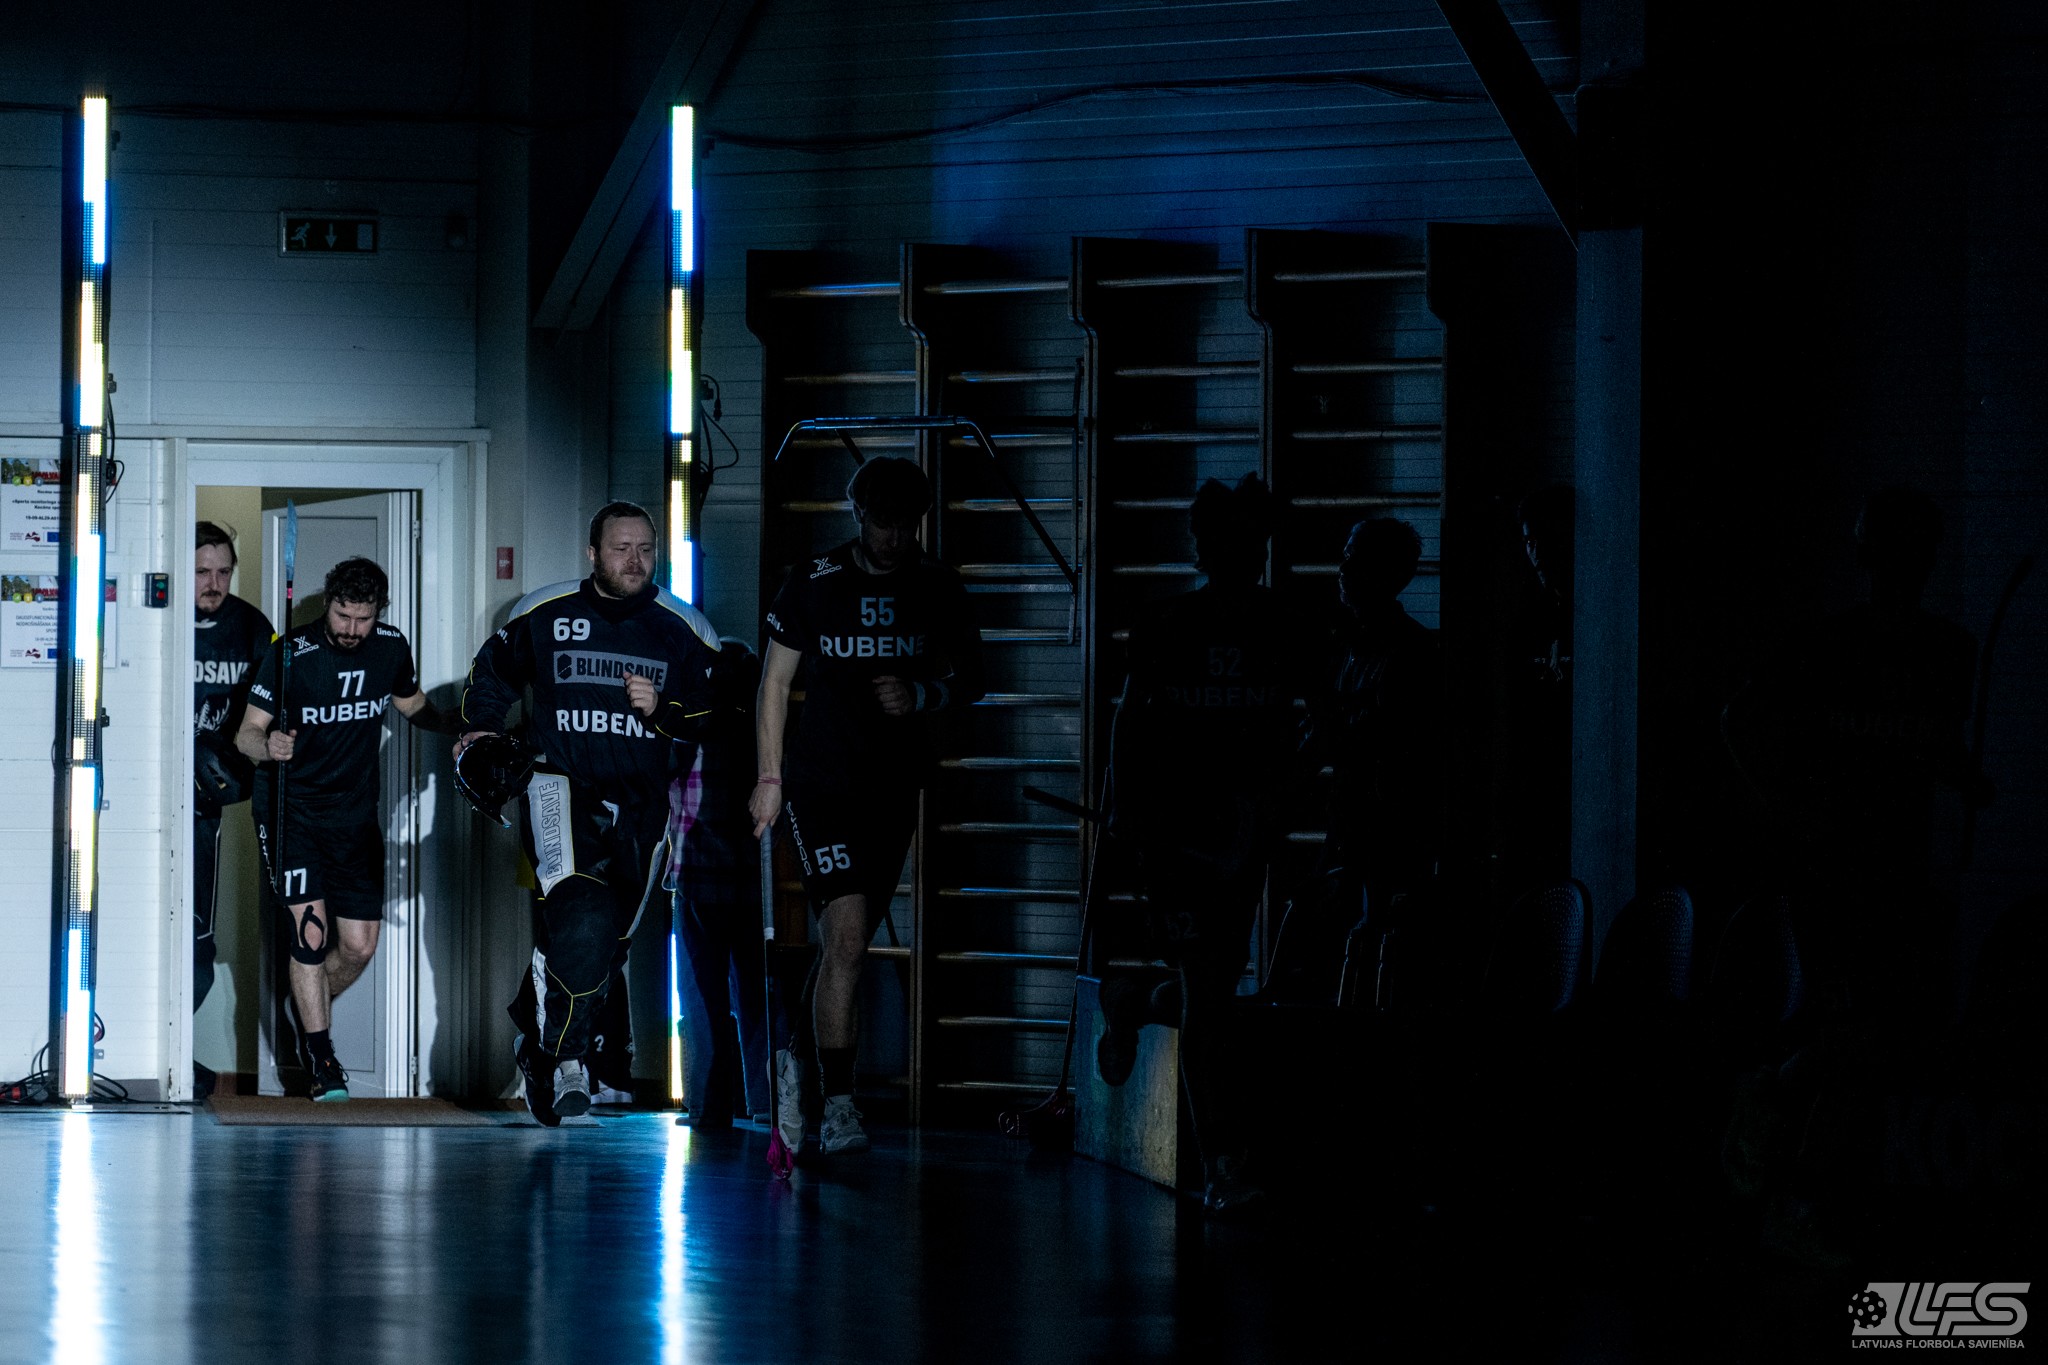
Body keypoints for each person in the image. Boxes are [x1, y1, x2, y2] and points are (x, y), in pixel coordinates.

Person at [751, 457, 985, 1159]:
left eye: (906, 525)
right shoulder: (815, 580)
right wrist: (770, 776)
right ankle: (840, 1103)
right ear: (859, 517)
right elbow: (774, 682)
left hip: (892, 788)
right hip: (822, 784)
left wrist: (924, 695)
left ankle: (797, 1059)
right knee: (849, 938)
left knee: (842, 948)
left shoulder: (937, 584)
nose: (894, 538)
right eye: (883, 524)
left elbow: (975, 676)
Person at [459, 501, 721, 1126]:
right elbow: (491, 677)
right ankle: (567, 1060)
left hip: (643, 805)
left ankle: (536, 1041)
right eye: (621, 549)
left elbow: (716, 714)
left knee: (609, 945)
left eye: (645, 550)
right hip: (559, 786)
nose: (635, 561)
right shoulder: (543, 612)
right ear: (593, 552)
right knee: (581, 915)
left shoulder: (686, 628)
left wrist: (663, 709)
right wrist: (480, 731)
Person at [1096, 474, 1309, 1215]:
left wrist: (1270, 807)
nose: (1236, 554)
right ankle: (1223, 1162)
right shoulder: (1166, 623)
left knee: (1208, 990)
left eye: (1249, 542)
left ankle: (1129, 1000)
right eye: (1222, 541)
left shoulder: (1287, 625)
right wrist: (1126, 809)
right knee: (1210, 992)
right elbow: (1129, 720)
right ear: (1202, 548)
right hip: (1177, 842)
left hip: (1243, 841)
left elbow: (1312, 729)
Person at [238, 556, 451, 1101]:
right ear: (328, 603)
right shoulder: (290, 653)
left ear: (379, 612)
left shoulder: (390, 646)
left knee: (358, 947)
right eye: (343, 615)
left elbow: (412, 704)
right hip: (291, 811)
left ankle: (306, 1007)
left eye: (363, 618)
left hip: (354, 816)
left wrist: (463, 728)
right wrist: (269, 745)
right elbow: (246, 733)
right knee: (309, 937)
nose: (352, 629)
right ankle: (322, 1058)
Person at [1267, 518, 1444, 1004]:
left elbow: (1362, 740)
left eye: (1357, 559)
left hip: (1389, 833)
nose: (1343, 569)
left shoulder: (1413, 654)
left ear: (1389, 574)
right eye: (1346, 557)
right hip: (1349, 825)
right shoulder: (1347, 648)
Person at [665, 638, 773, 1126]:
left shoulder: (689, 729)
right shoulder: (762, 734)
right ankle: (765, 1101)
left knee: (701, 994)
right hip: (753, 883)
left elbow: (669, 789)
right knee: (757, 995)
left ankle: (709, 1104)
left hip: (696, 875)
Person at [192, 521, 273, 1095]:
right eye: (203, 571)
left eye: (223, 571)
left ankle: (170, 1050)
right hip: (143, 802)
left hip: (208, 802)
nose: (214, 583)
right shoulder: (163, 616)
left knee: (198, 942)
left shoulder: (252, 627)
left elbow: (275, 707)